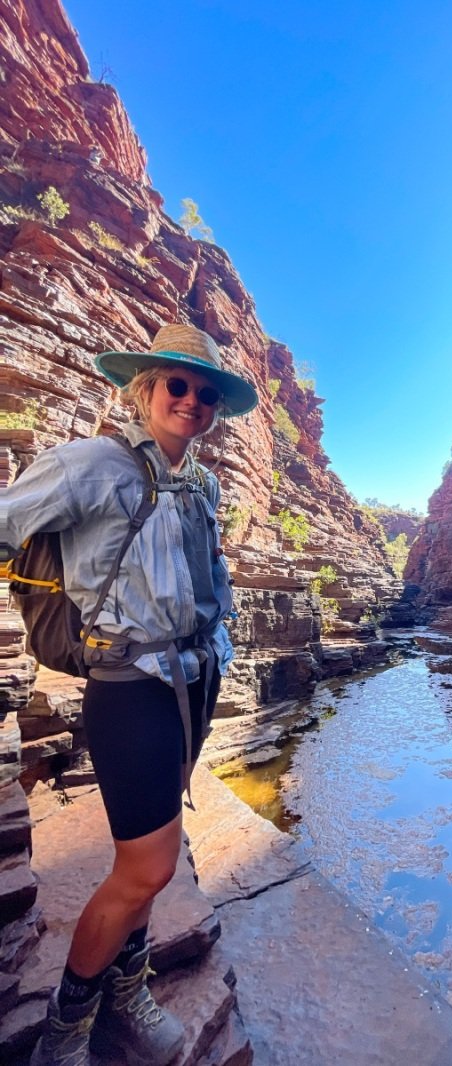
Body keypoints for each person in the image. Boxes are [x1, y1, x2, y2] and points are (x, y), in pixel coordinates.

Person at [1, 324, 258, 1066]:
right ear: (144, 388)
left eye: (206, 394)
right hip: (132, 689)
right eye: (176, 386)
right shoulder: (91, 466)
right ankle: (65, 1030)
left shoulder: (202, 483)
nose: (192, 401)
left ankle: (126, 993)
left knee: (157, 853)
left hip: (196, 683)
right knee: (145, 868)